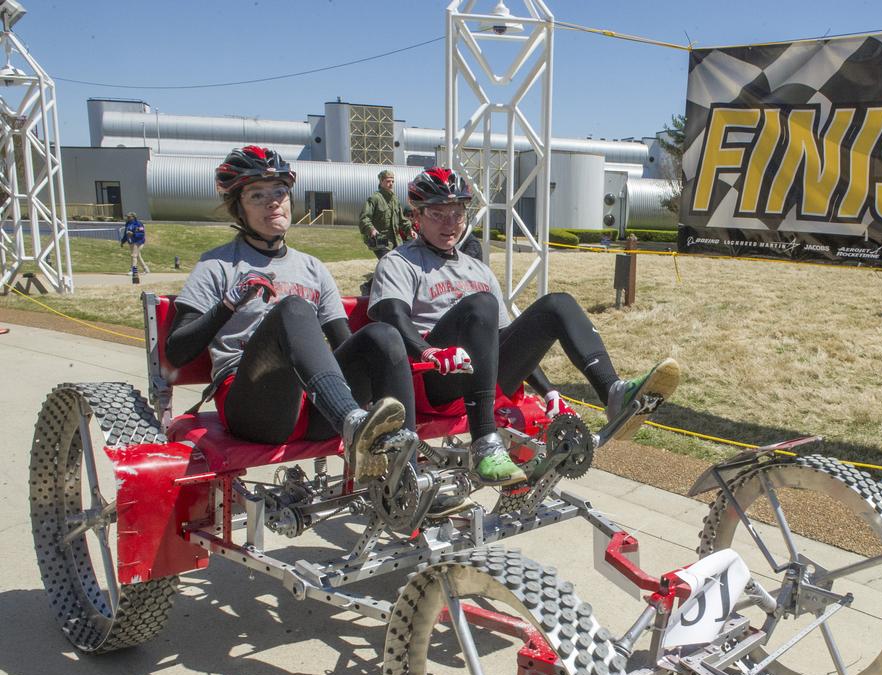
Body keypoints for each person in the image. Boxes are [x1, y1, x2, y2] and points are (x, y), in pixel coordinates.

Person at [368, 167, 680, 486]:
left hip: (484, 377)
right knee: (481, 305)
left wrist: (549, 392)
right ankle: (485, 444)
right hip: (436, 379)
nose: (450, 224)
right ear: (417, 216)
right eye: (437, 214)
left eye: (457, 213)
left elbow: (503, 339)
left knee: (557, 303)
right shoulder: (399, 262)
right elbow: (392, 317)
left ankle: (613, 391)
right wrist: (429, 352)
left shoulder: (478, 270)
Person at [166, 146, 417, 482]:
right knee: (293, 308)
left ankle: (407, 477)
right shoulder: (217, 265)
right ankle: (353, 423)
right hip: (254, 407)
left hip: (316, 408)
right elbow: (177, 351)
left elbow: (345, 344)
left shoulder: (313, 268)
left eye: (279, 192)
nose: (273, 202)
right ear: (238, 207)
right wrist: (228, 304)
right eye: (257, 195)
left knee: (382, 336)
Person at [359, 170, 412, 260]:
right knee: (389, 261)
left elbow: (401, 219)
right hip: (380, 240)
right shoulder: (375, 198)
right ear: (381, 182)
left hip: (396, 241)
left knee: (399, 262)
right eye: (388, 181)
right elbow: (364, 218)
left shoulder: (395, 199)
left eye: (392, 181)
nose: (391, 184)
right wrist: (371, 229)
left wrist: (409, 229)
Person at [121, 213, 150, 280]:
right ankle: (146, 269)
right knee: (138, 256)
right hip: (131, 242)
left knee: (133, 255)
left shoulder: (138, 224)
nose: (127, 218)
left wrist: (133, 234)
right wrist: (123, 241)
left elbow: (141, 233)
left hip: (138, 242)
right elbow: (126, 234)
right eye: (127, 217)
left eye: (129, 217)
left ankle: (133, 270)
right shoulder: (128, 224)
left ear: (133, 217)